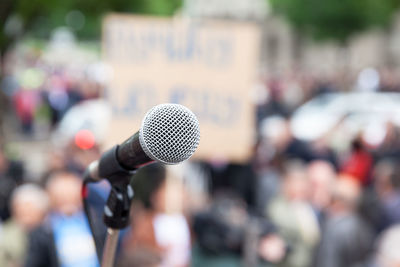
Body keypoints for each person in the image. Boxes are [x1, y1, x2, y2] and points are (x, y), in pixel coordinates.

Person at [25, 171, 99, 267]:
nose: (67, 198)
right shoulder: (43, 231)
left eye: (71, 193)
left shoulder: (96, 222)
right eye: (63, 194)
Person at [316, 177, 374, 267]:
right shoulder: (364, 226)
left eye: (331, 199)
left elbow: (328, 262)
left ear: (338, 202)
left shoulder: (333, 228)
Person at [0, 184, 49, 267]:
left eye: (30, 210)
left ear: (42, 212)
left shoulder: (49, 231)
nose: (26, 216)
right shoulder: (6, 233)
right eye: (21, 211)